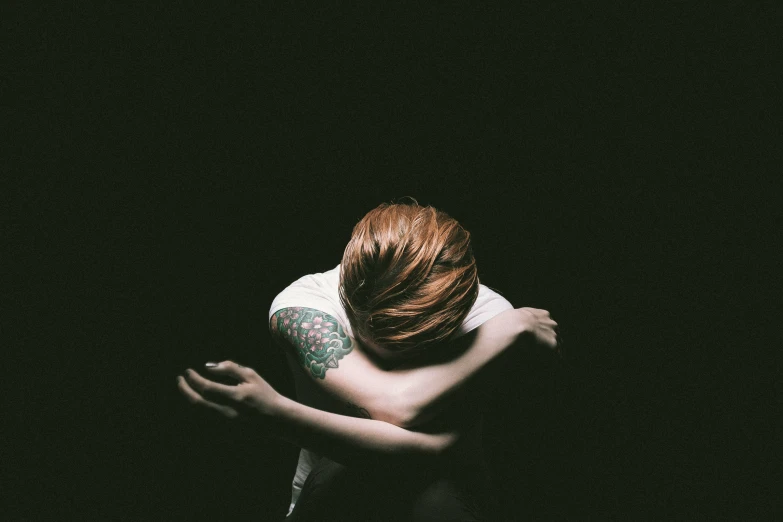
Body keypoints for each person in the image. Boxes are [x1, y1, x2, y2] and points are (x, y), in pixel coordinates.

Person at [177, 199, 559, 521]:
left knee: (439, 494)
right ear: (350, 291)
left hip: (445, 503)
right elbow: (396, 409)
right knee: (342, 472)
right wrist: (512, 328)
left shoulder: (488, 315)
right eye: (376, 329)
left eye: (419, 335)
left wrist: (277, 414)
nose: (394, 350)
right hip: (333, 499)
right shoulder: (306, 306)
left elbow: (434, 453)